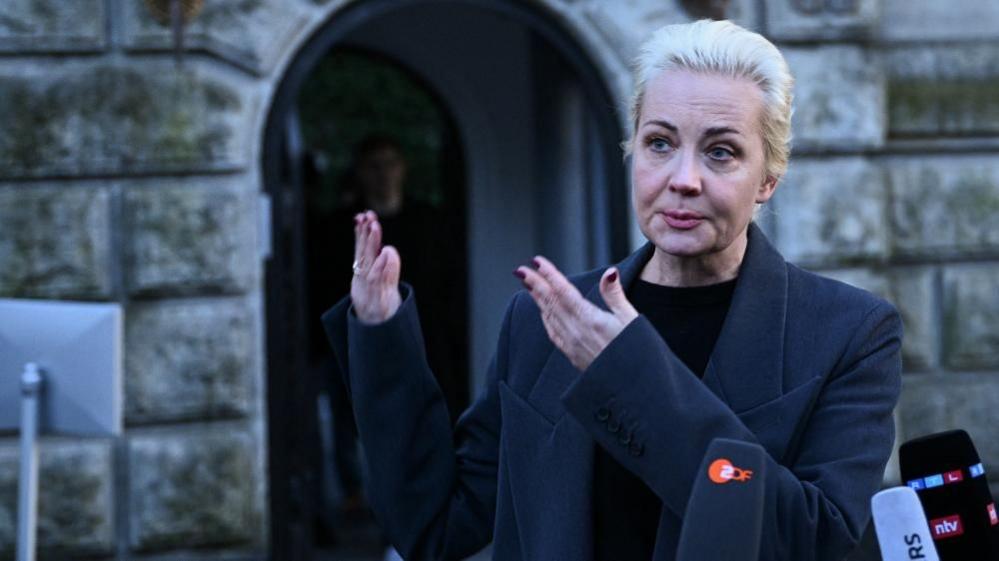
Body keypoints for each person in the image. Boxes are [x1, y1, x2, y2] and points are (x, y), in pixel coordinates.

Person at [321, 19, 902, 561]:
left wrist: (629, 375)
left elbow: (814, 539)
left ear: (768, 179)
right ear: (633, 155)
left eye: (721, 152)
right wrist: (381, 337)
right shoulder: (542, 320)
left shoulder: (849, 333)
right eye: (659, 143)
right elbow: (438, 527)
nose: (683, 179)